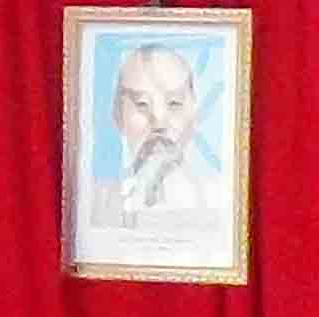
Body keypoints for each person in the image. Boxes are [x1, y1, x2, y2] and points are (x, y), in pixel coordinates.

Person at [81, 42, 227, 233]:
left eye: (174, 103)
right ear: (117, 114)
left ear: (193, 114)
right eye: (142, 104)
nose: (159, 123)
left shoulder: (221, 201)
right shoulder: (93, 204)